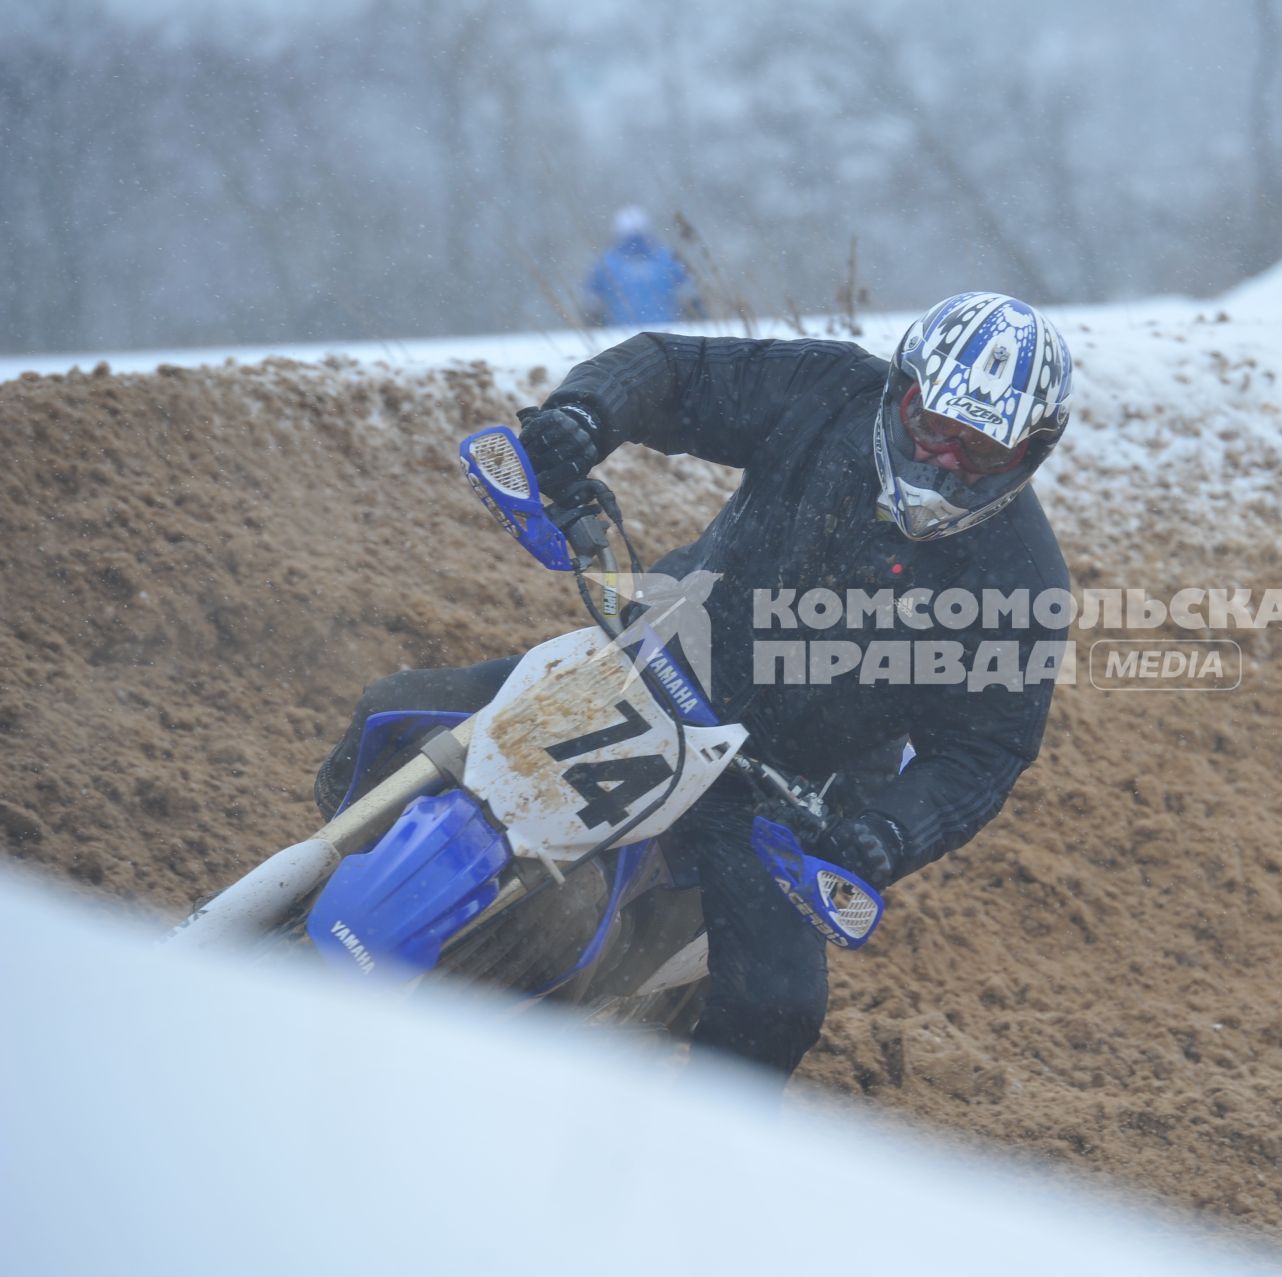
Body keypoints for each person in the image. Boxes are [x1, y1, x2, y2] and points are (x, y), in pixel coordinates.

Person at [314, 293, 1074, 1083]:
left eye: (978, 448)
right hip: (654, 656)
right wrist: (583, 417)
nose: (944, 458)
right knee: (394, 711)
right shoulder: (829, 389)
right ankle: (315, 883)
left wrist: (885, 835)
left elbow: (985, 750)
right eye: (933, 424)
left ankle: (699, 1173)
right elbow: (673, 370)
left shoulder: (1020, 579)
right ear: (902, 391)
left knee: (778, 1003)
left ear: (1027, 454)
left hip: (784, 789)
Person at [582, 206, 699, 327]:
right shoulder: (667, 258)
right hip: (666, 334)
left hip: (620, 336)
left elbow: (592, 302)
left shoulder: (606, 262)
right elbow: (690, 295)